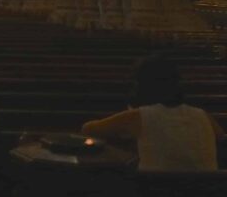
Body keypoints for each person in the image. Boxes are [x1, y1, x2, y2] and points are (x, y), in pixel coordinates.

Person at [81, 54, 225, 171]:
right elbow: (221, 138)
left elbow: (88, 129)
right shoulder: (202, 115)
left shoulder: (139, 116)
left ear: (140, 86)